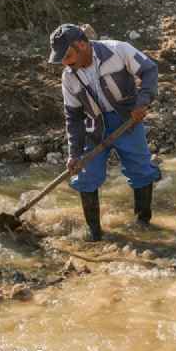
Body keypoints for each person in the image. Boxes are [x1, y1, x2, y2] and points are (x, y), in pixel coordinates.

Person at [47, 23, 161, 241]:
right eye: (62, 59)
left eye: (68, 56)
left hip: (128, 119)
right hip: (94, 126)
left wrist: (142, 102)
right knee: (86, 176)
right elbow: (73, 117)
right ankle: (94, 234)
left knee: (141, 170)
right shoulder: (68, 77)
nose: (66, 63)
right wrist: (74, 154)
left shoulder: (118, 50)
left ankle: (143, 224)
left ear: (82, 44)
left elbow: (149, 70)